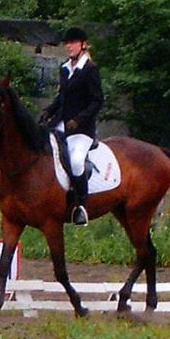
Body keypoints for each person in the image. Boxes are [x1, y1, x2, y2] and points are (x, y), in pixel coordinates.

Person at [40, 27, 104, 226]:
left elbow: (97, 101)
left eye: (73, 42)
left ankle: (81, 206)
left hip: (82, 130)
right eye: (67, 43)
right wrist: (48, 111)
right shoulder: (65, 68)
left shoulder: (90, 69)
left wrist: (79, 119)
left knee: (76, 161)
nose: (69, 46)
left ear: (83, 45)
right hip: (60, 125)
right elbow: (62, 98)